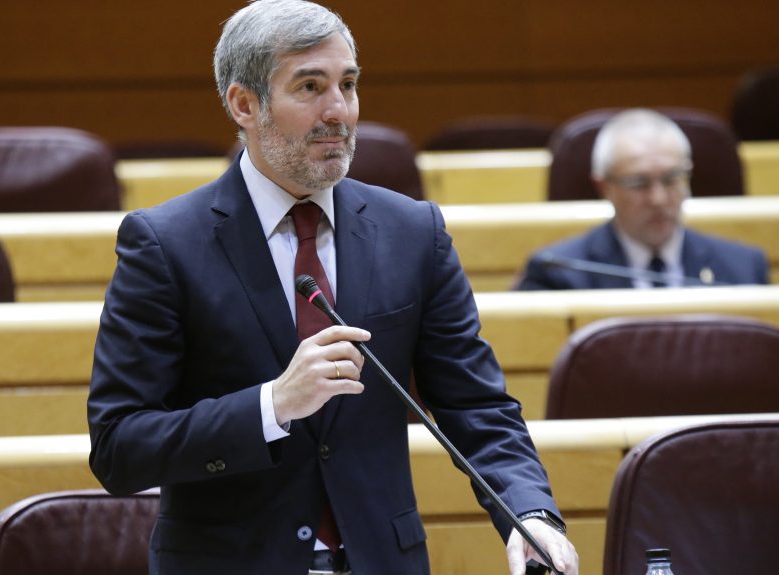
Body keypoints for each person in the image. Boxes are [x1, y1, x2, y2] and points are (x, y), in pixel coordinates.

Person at [88, 2, 578, 574]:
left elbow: (478, 406)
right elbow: (120, 447)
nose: (339, 111)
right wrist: (272, 405)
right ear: (244, 104)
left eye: (348, 84)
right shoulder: (166, 244)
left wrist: (529, 513)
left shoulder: (413, 232)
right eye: (311, 87)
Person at [516, 108, 769, 290]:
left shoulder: (744, 269)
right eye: (639, 184)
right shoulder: (558, 274)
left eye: (672, 179)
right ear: (604, 187)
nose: (658, 199)